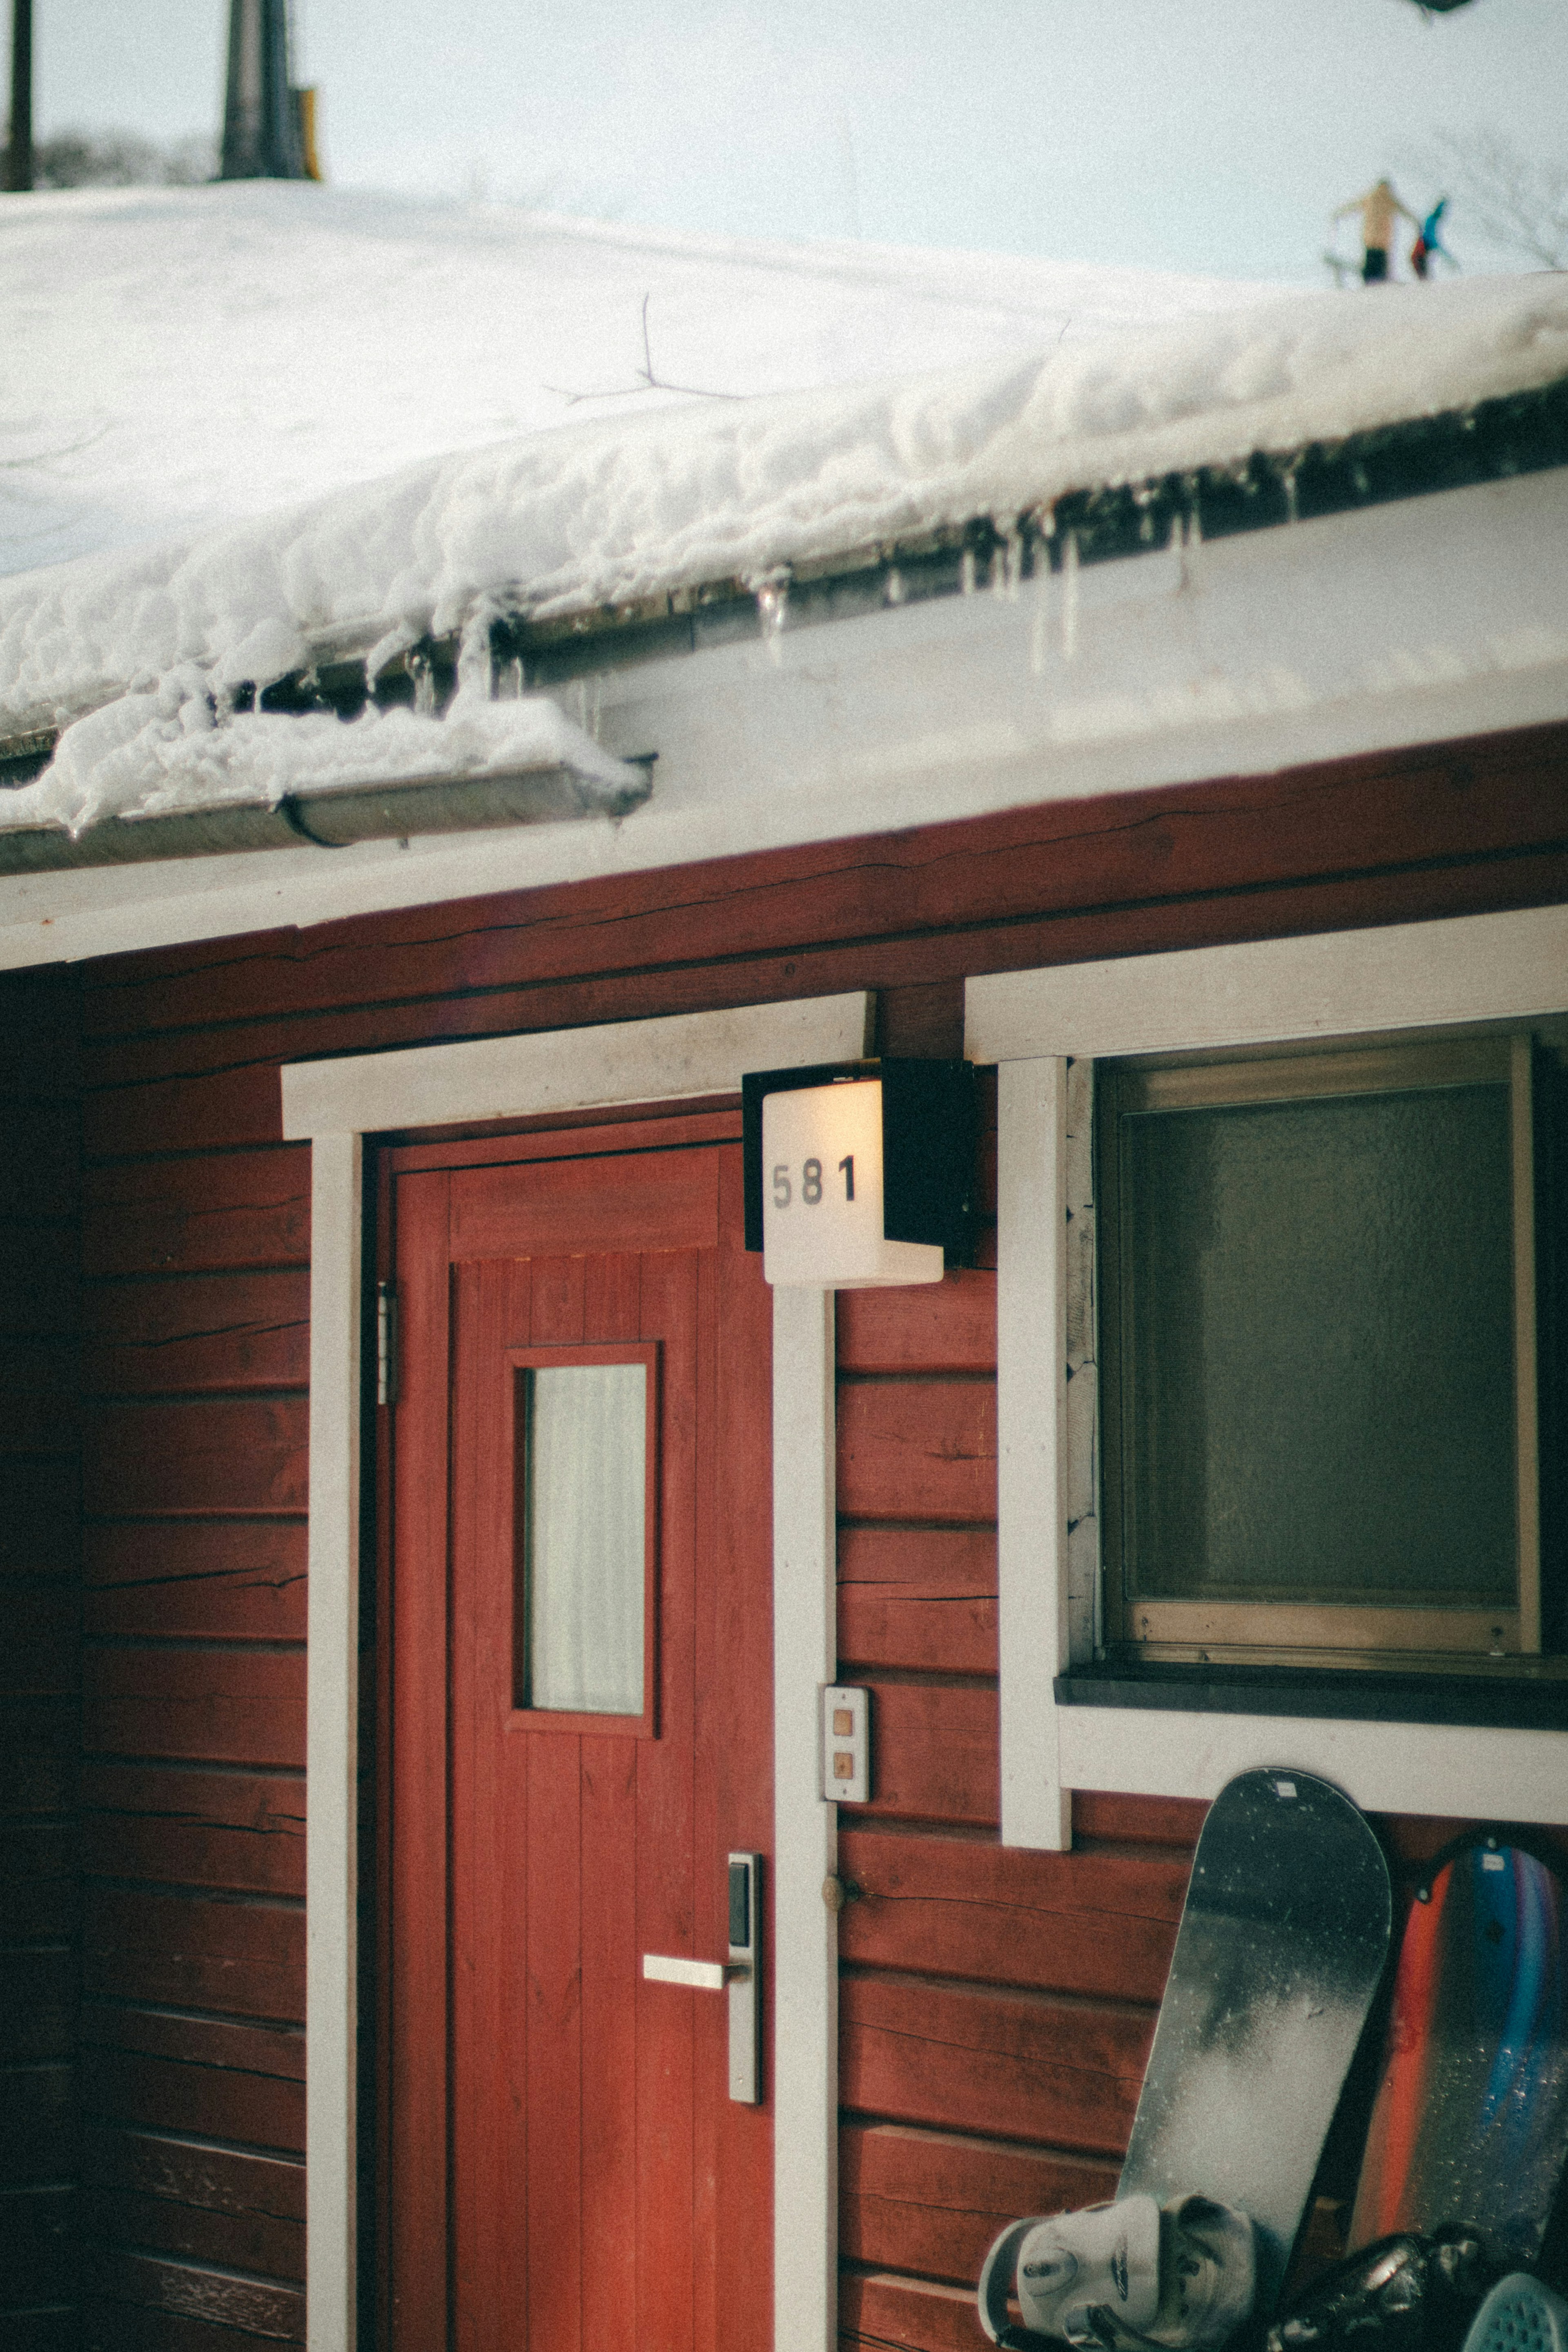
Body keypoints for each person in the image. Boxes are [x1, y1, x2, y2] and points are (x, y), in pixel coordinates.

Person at [1333, 177, 1421, 283]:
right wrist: (1416, 222)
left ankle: (1368, 283)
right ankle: (1381, 284)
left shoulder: (1370, 197)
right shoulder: (1390, 199)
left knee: (1369, 270)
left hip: (1370, 241)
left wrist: (1338, 214)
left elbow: (1353, 206)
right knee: (1381, 271)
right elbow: (1405, 211)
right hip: (1383, 243)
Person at [1410, 197, 1456, 279]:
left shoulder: (1430, 220)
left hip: (1418, 257)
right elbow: (1433, 242)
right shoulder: (1431, 223)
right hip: (1418, 257)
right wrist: (1450, 260)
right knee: (1425, 281)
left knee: (1425, 280)